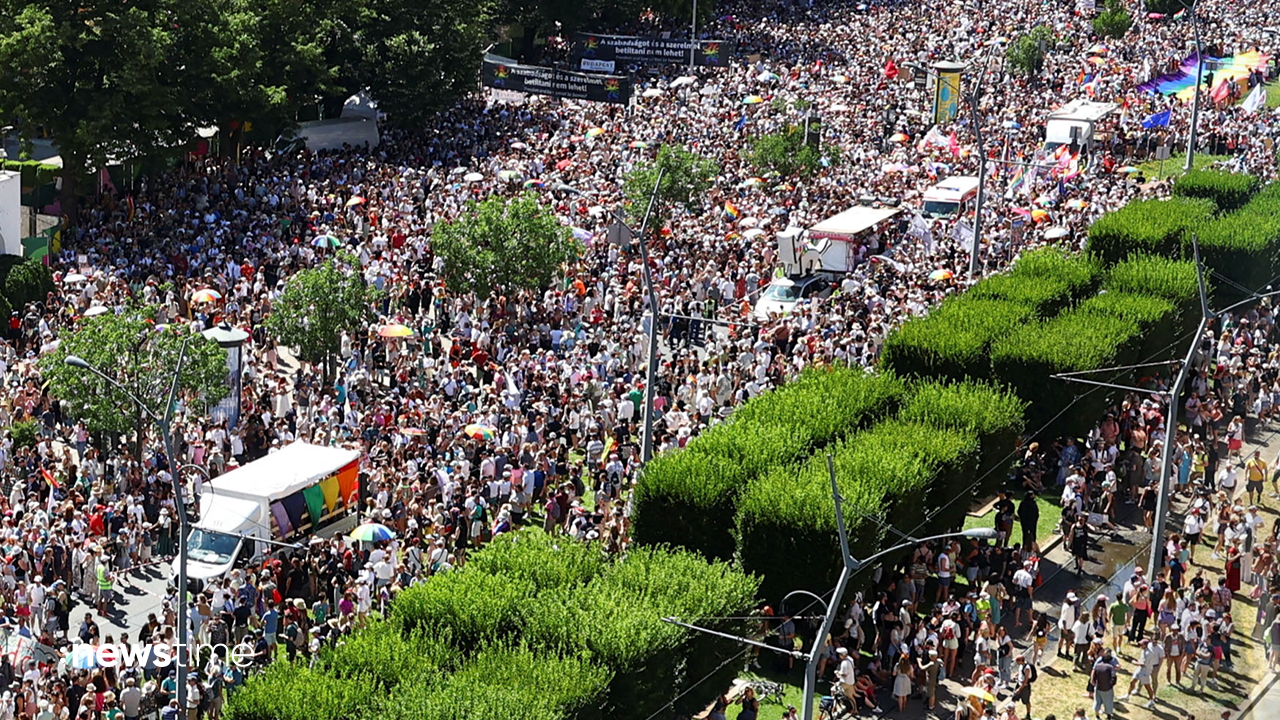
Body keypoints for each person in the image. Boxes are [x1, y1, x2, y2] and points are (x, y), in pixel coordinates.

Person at [1090, 649, 1119, 720]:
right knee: (1108, 702)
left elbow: (1094, 674)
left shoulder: (1098, 666)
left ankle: (1097, 716)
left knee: (1097, 701)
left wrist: (1093, 681)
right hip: (1107, 688)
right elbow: (1114, 677)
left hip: (1098, 687)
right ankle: (1108, 716)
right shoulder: (1110, 667)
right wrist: (1111, 685)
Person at [1010, 655, 1036, 720]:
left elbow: (1025, 680)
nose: (1016, 662)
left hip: (1024, 687)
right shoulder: (1021, 665)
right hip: (1019, 684)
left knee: (1026, 701)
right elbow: (1021, 672)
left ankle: (1028, 714)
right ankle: (1010, 713)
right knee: (1013, 698)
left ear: (1021, 661)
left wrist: (1020, 689)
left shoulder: (1027, 668)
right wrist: (1016, 676)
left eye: (1017, 661)